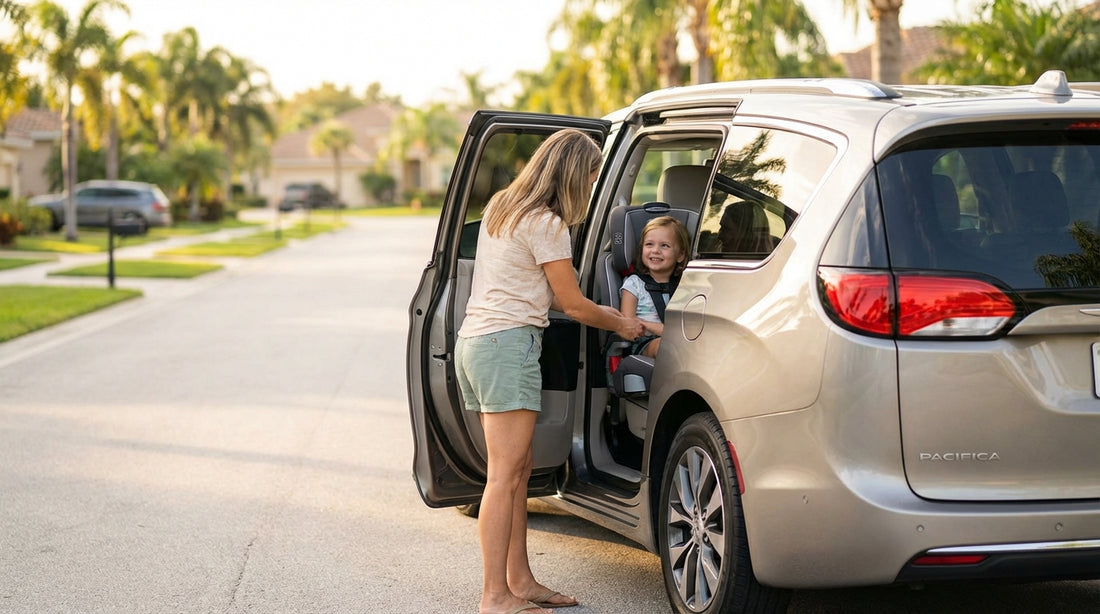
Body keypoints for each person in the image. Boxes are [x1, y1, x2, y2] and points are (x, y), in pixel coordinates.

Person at [455, 129, 645, 614]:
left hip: (476, 344)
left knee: (515, 471)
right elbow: (573, 304)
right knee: (503, 475)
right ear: (571, 174)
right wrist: (625, 321)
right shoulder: (547, 223)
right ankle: (494, 596)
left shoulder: (504, 205)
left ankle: (520, 581)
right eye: (590, 174)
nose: (592, 183)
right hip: (508, 345)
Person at [619, 215, 690, 358]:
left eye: (664, 245)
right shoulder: (634, 284)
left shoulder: (684, 285)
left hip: (679, 341)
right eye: (649, 244)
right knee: (665, 346)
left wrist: (647, 324)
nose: (655, 250)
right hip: (642, 343)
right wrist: (667, 332)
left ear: (680, 255)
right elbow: (627, 325)